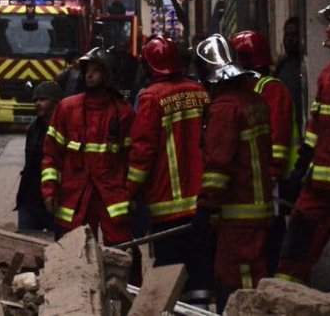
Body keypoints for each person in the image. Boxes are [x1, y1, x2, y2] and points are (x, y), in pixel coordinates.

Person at [276, 2, 330, 289]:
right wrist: (300, 169)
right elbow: (314, 130)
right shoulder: (327, 75)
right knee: (294, 252)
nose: (327, 30)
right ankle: (285, 303)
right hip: (320, 186)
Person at [126, 37, 213, 307]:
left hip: (167, 204)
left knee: (170, 270)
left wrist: (130, 191)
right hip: (203, 201)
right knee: (200, 269)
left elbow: (143, 150)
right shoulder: (200, 92)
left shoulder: (151, 98)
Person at [194, 34, 274, 309]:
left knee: (239, 281)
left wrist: (206, 206)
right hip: (260, 209)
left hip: (237, 214)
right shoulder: (255, 102)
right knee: (255, 273)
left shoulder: (225, 108)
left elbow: (219, 165)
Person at [40, 48, 135, 244]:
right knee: (73, 253)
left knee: (123, 251)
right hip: (75, 195)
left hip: (111, 195)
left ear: (108, 75)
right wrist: (49, 190)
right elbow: (51, 155)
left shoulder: (123, 112)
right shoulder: (67, 109)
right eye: (87, 70)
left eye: (96, 70)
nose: (89, 75)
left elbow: (131, 159)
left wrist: (133, 194)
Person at [231, 30, 297, 272]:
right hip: (254, 183)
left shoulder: (271, 89)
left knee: (270, 243)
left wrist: (272, 173)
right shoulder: (251, 89)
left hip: (272, 184)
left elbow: (278, 140)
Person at [16, 81, 64, 235]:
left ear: (56, 102)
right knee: (25, 246)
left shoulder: (66, 129)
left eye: (43, 99)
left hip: (56, 200)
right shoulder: (33, 129)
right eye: (35, 100)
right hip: (30, 199)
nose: (37, 104)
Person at [272, 17, 305, 132]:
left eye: (294, 35)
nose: (290, 39)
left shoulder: (305, 67)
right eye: (287, 35)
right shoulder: (280, 67)